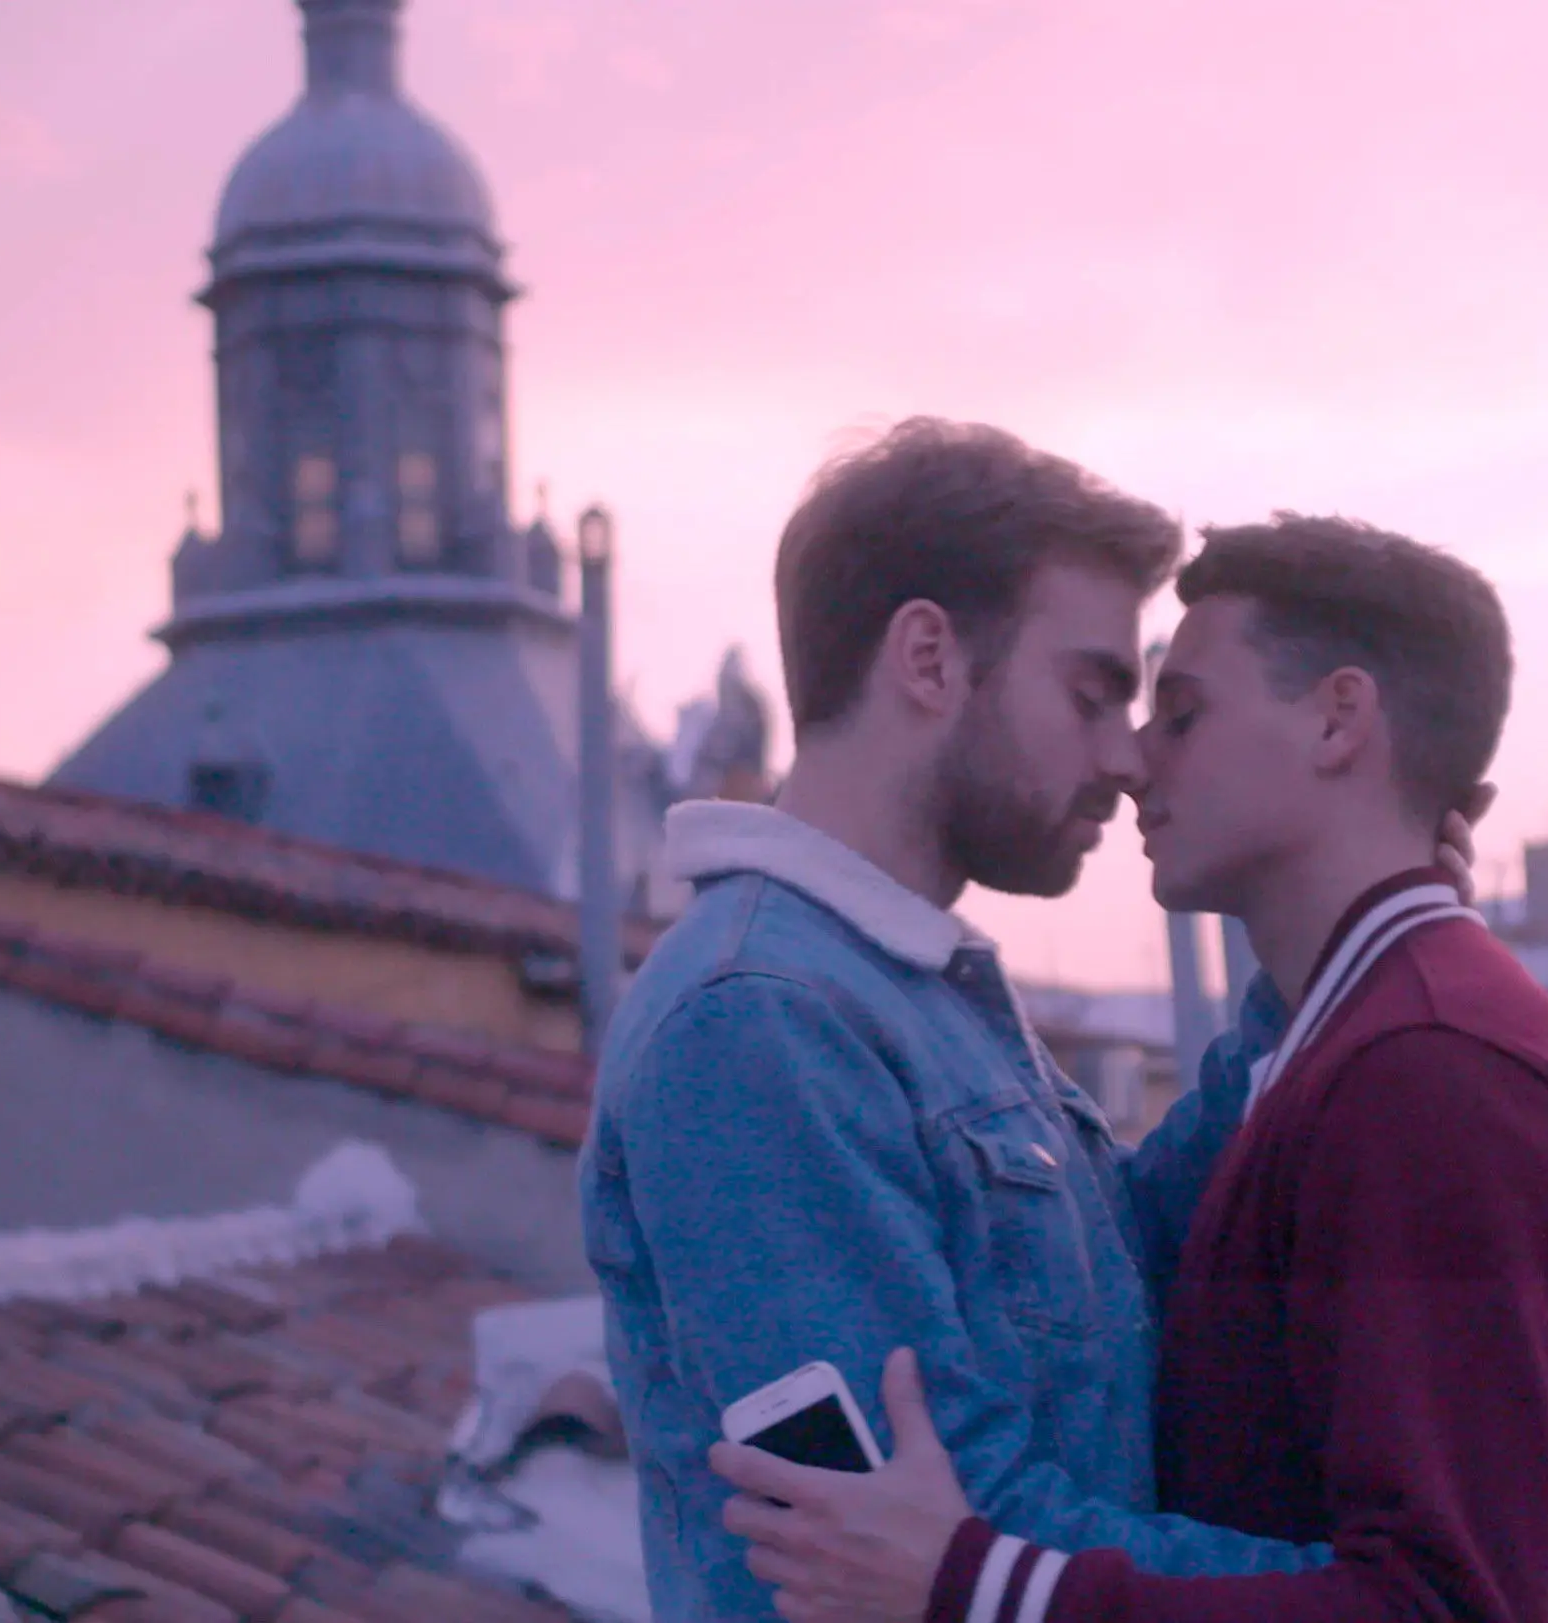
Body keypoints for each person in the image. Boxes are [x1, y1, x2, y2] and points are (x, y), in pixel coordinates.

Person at [714, 515, 1548, 1623]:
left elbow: (1441, 1604)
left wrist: (983, 1586)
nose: (1135, 757)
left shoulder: (1433, 1072)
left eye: (1181, 714)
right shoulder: (1365, 1043)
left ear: (1339, 720)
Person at [578, 422, 1480, 1622]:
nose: (1127, 758)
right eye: (1093, 692)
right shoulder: (759, 1027)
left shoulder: (901, 985)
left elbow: (1131, 1286)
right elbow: (949, 1531)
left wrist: (1319, 978)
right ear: (929, 659)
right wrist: (1404, 1602)